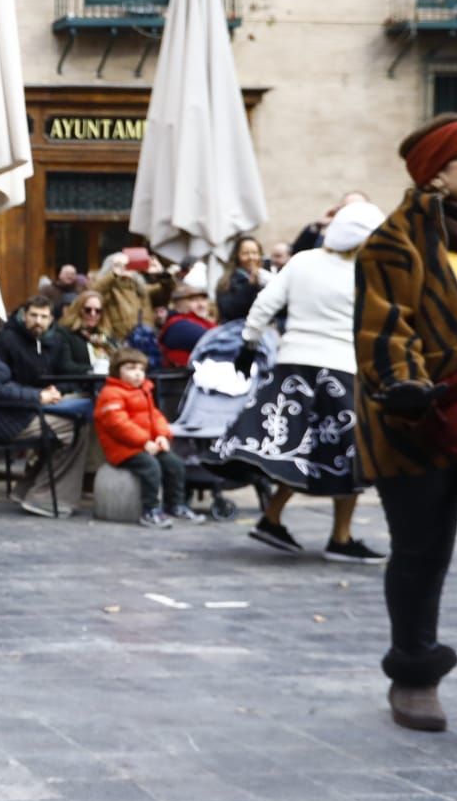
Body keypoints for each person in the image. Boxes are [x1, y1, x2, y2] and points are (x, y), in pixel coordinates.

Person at [356, 114, 457, 736]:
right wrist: (404, 387)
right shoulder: (394, 244)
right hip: (419, 419)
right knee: (421, 553)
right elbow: (384, 329)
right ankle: (413, 673)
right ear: (439, 173)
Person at [213, 200, 385, 564]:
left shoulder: (302, 261)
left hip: (293, 367)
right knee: (350, 456)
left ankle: (272, 519)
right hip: (342, 369)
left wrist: (248, 344)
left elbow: (264, 304)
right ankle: (340, 537)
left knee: (295, 448)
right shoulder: (369, 273)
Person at [0, 296, 91, 517]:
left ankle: (26, 490)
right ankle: (43, 497)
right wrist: (38, 396)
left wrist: (41, 395)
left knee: (79, 410)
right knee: (79, 426)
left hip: (3, 414)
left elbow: (1, 386)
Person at [95, 347, 200, 529]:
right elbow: (119, 425)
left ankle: (175, 504)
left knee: (174, 464)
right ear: (116, 371)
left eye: (141, 369)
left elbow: (156, 416)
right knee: (150, 467)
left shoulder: (144, 390)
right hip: (123, 449)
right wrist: (144, 441)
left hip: (146, 444)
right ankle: (150, 510)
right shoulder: (111, 394)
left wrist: (161, 435)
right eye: (130, 368)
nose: (137, 374)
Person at [0, 294, 90, 386]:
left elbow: (64, 372)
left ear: (50, 320)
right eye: (33, 315)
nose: (38, 321)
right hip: (21, 397)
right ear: (24, 316)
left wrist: (56, 391)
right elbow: (3, 380)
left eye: (44, 317)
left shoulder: (57, 339)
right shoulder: (8, 339)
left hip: (53, 396)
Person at [57, 289, 117, 374]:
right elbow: (65, 366)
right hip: (80, 383)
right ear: (79, 310)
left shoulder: (106, 335)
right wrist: (95, 369)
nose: (93, 314)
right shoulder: (65, 333)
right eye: (88, 310)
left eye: (98, 311)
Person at [292, 190, 370, 255]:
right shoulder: (327, 239)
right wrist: (318, 226)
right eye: (347, 208)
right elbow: (296, 254)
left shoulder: (375, 238)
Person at [216, 234, 269, 323]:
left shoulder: (267, 277)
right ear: (237, 256)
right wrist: (251, 286)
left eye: (254, 253)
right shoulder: (227, 281)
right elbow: (229, 311)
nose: (251, 257)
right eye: (245, 253)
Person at [158, 284, 216, 367]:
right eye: (194, 300)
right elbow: (216, 342)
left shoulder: (204, 322)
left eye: (203, 299)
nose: (201, 305)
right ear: (178, 305)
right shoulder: (178, 325)